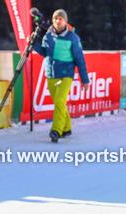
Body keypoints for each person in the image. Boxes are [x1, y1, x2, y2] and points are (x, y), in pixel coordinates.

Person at [31, 9, 88, 142]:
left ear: (65, 21)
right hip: (51, 74)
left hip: (65, 75)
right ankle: (67, 128)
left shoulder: (73, 38)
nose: (58, 21)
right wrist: (34, 44)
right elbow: (45, 53)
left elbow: (80, 59)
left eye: (60, 19)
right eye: (55, 19)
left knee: (60, 102)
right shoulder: (48, 36)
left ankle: (56, 130)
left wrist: (85, 80)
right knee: (59, 103)